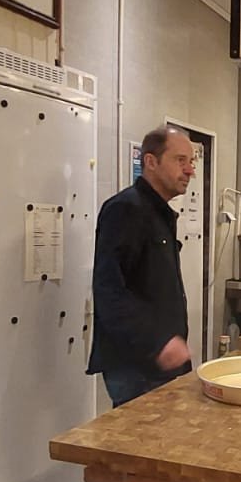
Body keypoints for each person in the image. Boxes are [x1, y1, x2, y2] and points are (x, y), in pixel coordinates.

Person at [86, 126, 196, 407]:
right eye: (180, 160)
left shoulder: (160, 213)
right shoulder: (126, 209)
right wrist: (158, 343)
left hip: (162, 363)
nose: (190, 171)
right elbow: (109, 289)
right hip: (137, 366)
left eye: (191, 162)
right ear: (150, 161)